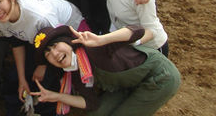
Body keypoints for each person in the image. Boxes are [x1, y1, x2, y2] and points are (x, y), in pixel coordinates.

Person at [0, 0, 83, 113]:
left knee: (45, 80)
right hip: (38, 41)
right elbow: (16, 42)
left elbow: (57, 42)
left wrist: (42, 66)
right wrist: (21, 78)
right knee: (14, 79)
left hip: (66, 34)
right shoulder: (0, 20)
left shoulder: (39, 17)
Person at [31, 25, 180, 115]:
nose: (54, 54)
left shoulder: (94, 48)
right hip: (127, 85)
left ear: (68, 42)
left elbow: (138, 31)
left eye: (55, 46)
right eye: (48, 54)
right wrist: (56, 96)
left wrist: (103, 39)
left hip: (159, 77)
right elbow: (91, 103)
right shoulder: (74, 72)